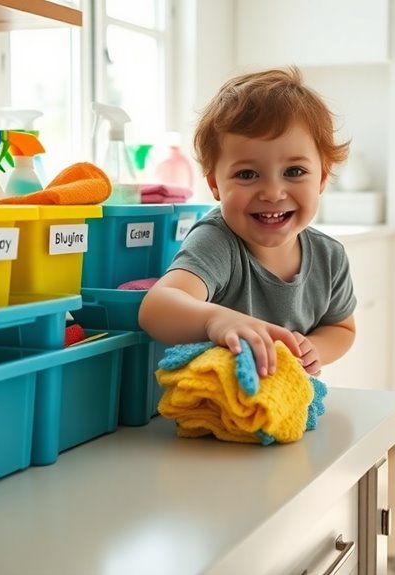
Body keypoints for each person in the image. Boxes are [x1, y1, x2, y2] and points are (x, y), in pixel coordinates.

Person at [138, 67, 356, 379]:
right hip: (215, 407)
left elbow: (342, 327)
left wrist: (312, 349)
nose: (272, 192)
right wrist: (217, 321)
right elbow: (156, 308)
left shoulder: (329, 256)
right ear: (215, 184)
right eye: (247, 174)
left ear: (322, 176)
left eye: (294, 171)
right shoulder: (218, 242)